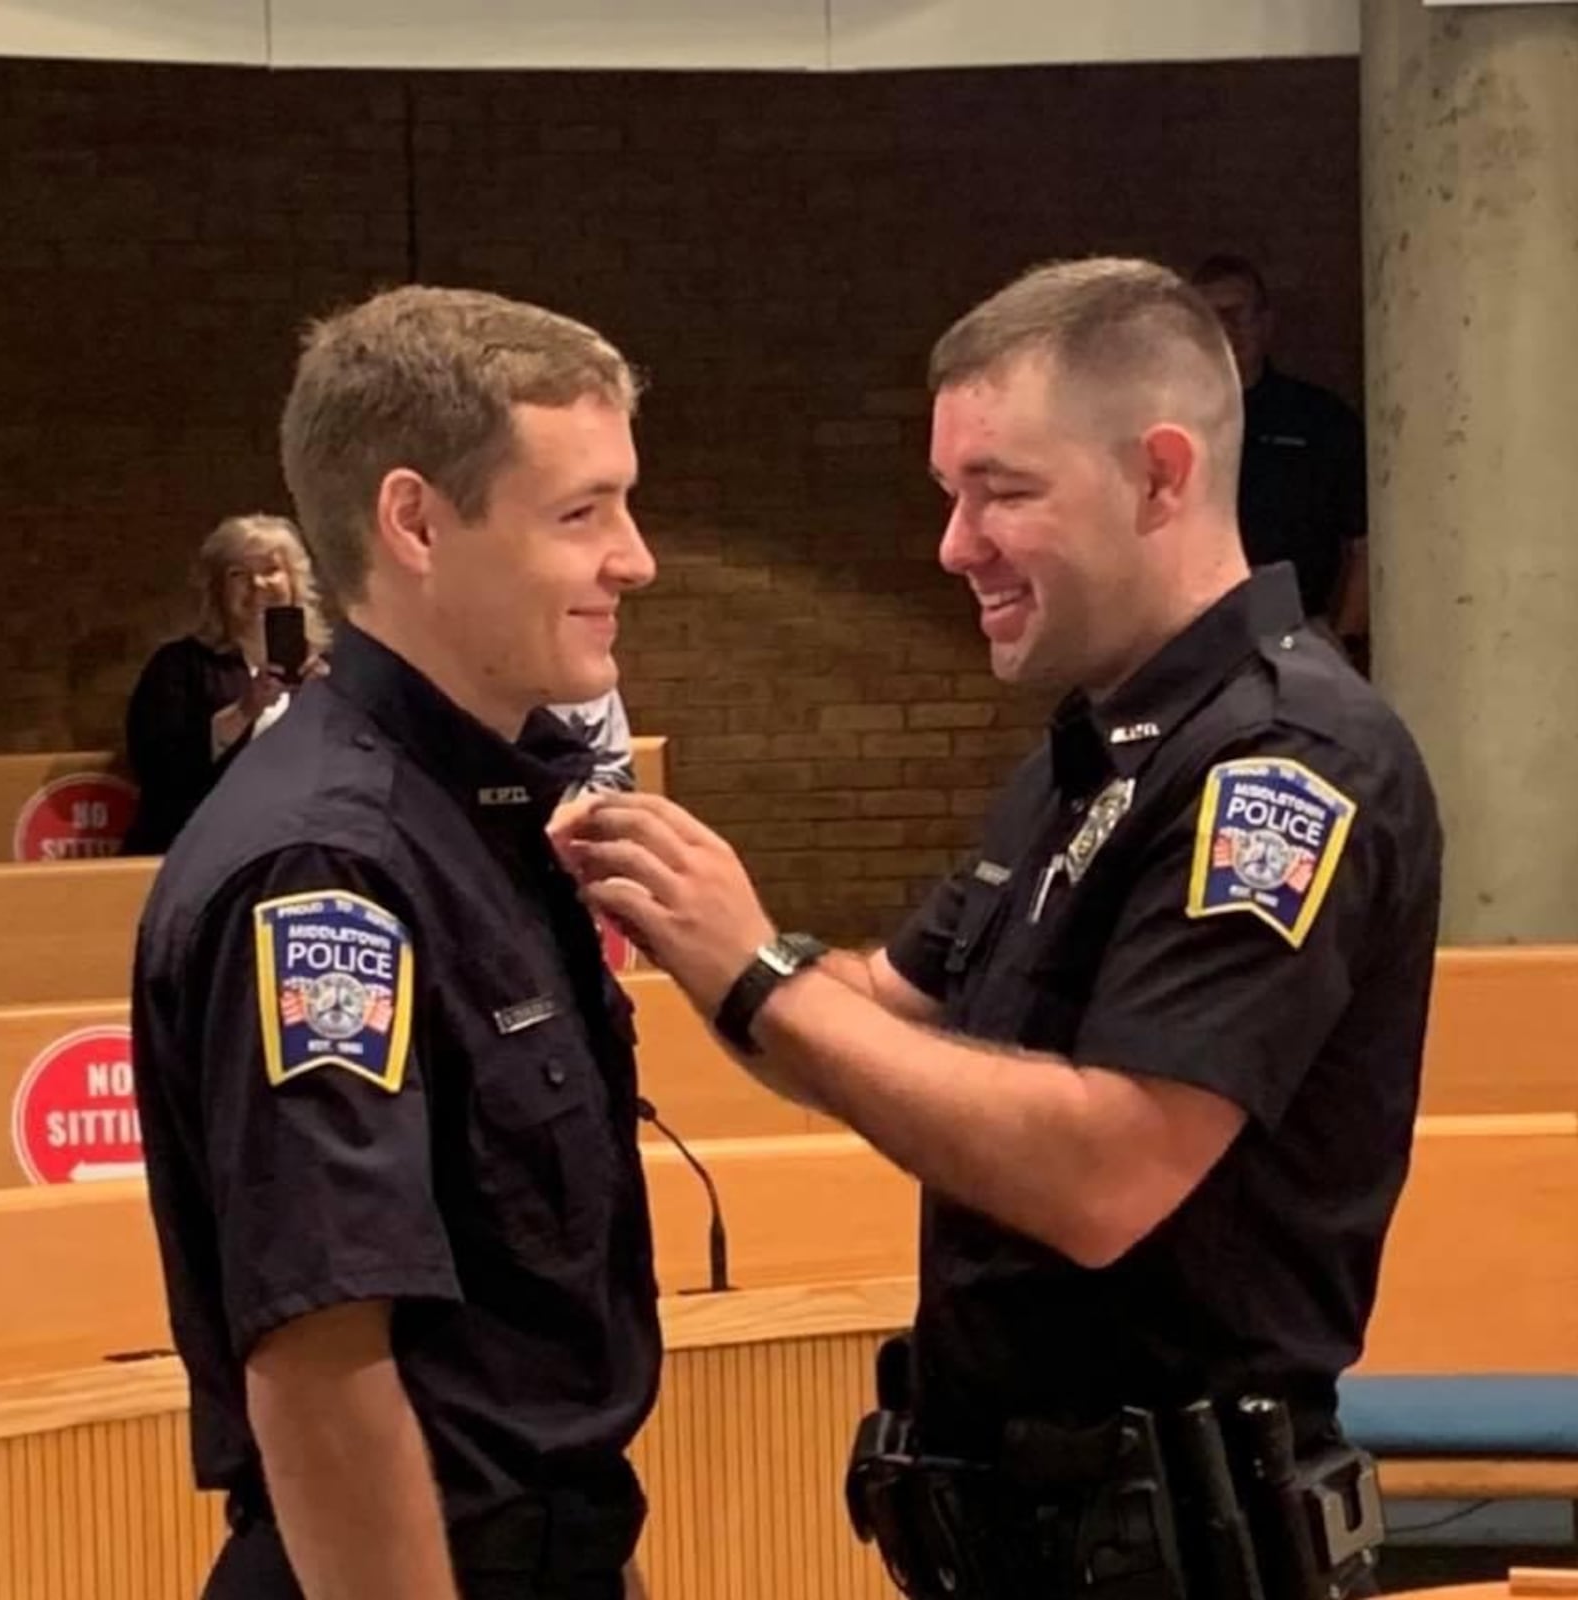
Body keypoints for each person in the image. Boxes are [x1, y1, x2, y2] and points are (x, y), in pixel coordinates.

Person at [567, 259, 1440, 1599]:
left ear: (1159, 476)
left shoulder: (1284, 767)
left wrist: (750, 970)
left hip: (1180, 1554)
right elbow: (888, 1008)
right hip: (1015, 1543)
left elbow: (1110, 1174)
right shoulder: (1097, 751)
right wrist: (685, 925)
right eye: (950, 495)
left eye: (1001, 491)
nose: (954, 544)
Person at [130, 286, 660, 1600]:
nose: (636, 558)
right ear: (416, 522)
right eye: (581, 513)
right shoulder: (328, 867)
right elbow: (324, 1365)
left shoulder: (478, 812)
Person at [1191, 254, 1370, 662]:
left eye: (1238, 314)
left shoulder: (1319, 419)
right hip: (1193, 639)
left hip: (1296, 637)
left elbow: (1365, 543)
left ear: (1266, 323)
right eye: (1211, 319)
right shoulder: (1164, 424)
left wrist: (1346, 640)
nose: (1228, 330)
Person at [122, 514, 329, 854]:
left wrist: (335, 707)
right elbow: (161, 771)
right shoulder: (178, 666)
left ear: (295, 582)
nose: (258, 585)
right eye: (238, 575)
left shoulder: (334, 669)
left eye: (270, 570)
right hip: (199, 854)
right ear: (217, 591)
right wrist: (245, 710)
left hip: (299, 853)